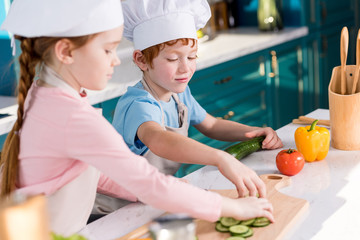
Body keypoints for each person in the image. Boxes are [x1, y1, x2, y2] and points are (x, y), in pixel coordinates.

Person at [0, 0, 274, 236]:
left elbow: (94, 171)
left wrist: (154, 188)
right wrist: (233, 206)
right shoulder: (73, 117)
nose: (115, 60)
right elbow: (149, 180)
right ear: (65, 52)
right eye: (107, 49)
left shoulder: (46, 95)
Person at [109, 0, 283, 211]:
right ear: (141, 60)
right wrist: (219, 158)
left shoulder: (179, 94)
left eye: (192, 56)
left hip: (153, 198)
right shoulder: (139, 103)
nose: (186, 68)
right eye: (173, 59)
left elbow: (211, 124)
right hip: (119, 207)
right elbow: (159, 139)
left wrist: (254, 133)